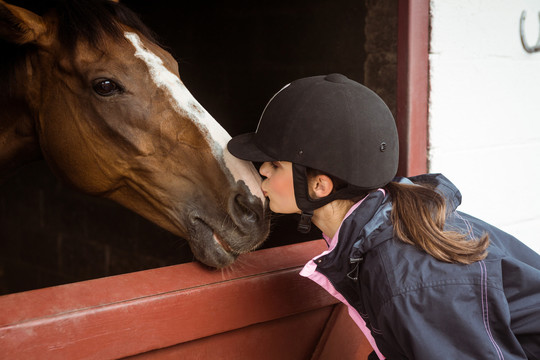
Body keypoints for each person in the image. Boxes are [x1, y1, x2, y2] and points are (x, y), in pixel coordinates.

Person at [227, 74, 540, 359]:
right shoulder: (379, 234)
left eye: (275, 165)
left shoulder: (412, 279)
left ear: (320, 186)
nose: (263, 170)